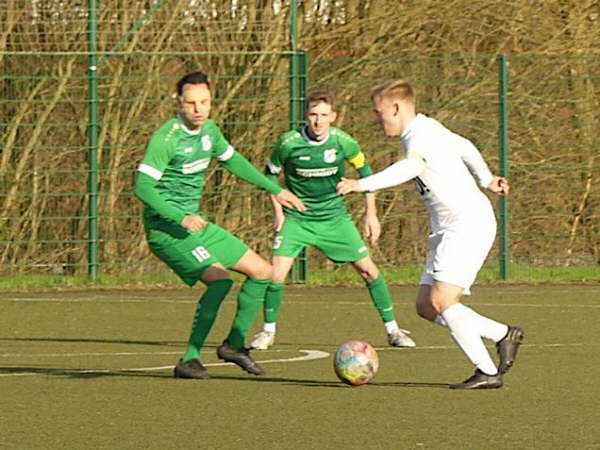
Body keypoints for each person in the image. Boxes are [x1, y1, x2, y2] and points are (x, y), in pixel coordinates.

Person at [336, 80, 524, 389]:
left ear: (396, 108)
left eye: (379, 112)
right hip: (448, 227)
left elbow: (408, 168)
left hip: (466, 224)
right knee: (425, 305)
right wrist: (486, 178)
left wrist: (361, 184)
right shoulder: (428, 126)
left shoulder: (419, 139)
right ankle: (503, 334)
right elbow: (464, 145)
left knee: (441, 299)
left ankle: (488, 371)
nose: (377, 119)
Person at [135, 71, 305, 380]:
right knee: (220, 281)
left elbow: (234, 161)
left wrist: (275, 189)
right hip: (167, 229)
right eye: (191, 103)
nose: (198, 109)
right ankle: (190, 359)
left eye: (204, 102)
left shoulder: (210, 131)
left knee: (263, 272)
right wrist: (180, 216)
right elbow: (143, 188)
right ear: (179, 102)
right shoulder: (166, 138)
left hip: (196, 226)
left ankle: (234, 345)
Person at [250, 90, 416, 351]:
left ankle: (393, 330)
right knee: (276, 274)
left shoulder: (344, 143)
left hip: (335, 218)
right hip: (298, 218)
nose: (318, 121)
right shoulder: (288, 143)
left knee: (369, 271)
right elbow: (269, 175)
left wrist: (371, 214)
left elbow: (366, 172)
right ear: (306, 116)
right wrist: (279, 211)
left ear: (334, 117)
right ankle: (267, 331)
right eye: (313, 115)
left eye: (324, 115)